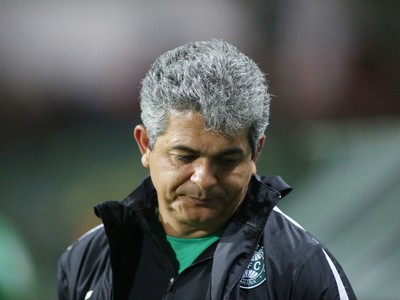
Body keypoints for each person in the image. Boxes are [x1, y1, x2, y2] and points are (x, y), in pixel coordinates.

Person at [57, 39, 356, 299]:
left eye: (227, 161)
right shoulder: (88, 257)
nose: (203, 180)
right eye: (184, 157)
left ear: (256, 152)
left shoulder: (299, 266)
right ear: (145, 144)